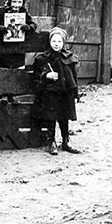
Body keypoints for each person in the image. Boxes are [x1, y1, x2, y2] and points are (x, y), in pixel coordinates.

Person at [32, 27, 81, 155]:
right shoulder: (42, 58)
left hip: (66, 92)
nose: (56, 44)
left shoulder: (70, 58)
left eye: (59, 42)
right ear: (50, 42)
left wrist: (75, 92)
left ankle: (66, 141)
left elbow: (74, 76)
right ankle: (51, 142)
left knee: (65, 117)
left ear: (63, 43)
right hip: (50, 92)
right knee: (51, 117)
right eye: (54, 41)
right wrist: (46, 76)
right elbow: (35, 76)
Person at [0, 0, 37, 103]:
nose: (16, 5)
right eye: (14, 1)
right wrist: (0, 28)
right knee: (1, 71)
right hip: (1, 48)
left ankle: (11, 95)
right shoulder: (2, 10)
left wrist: (27, 27)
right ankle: (1, 94)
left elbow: (33, 24)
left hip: (16, 50)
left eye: (19, 2)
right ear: (9, 1)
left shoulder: (23, 12)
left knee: (14, 72)